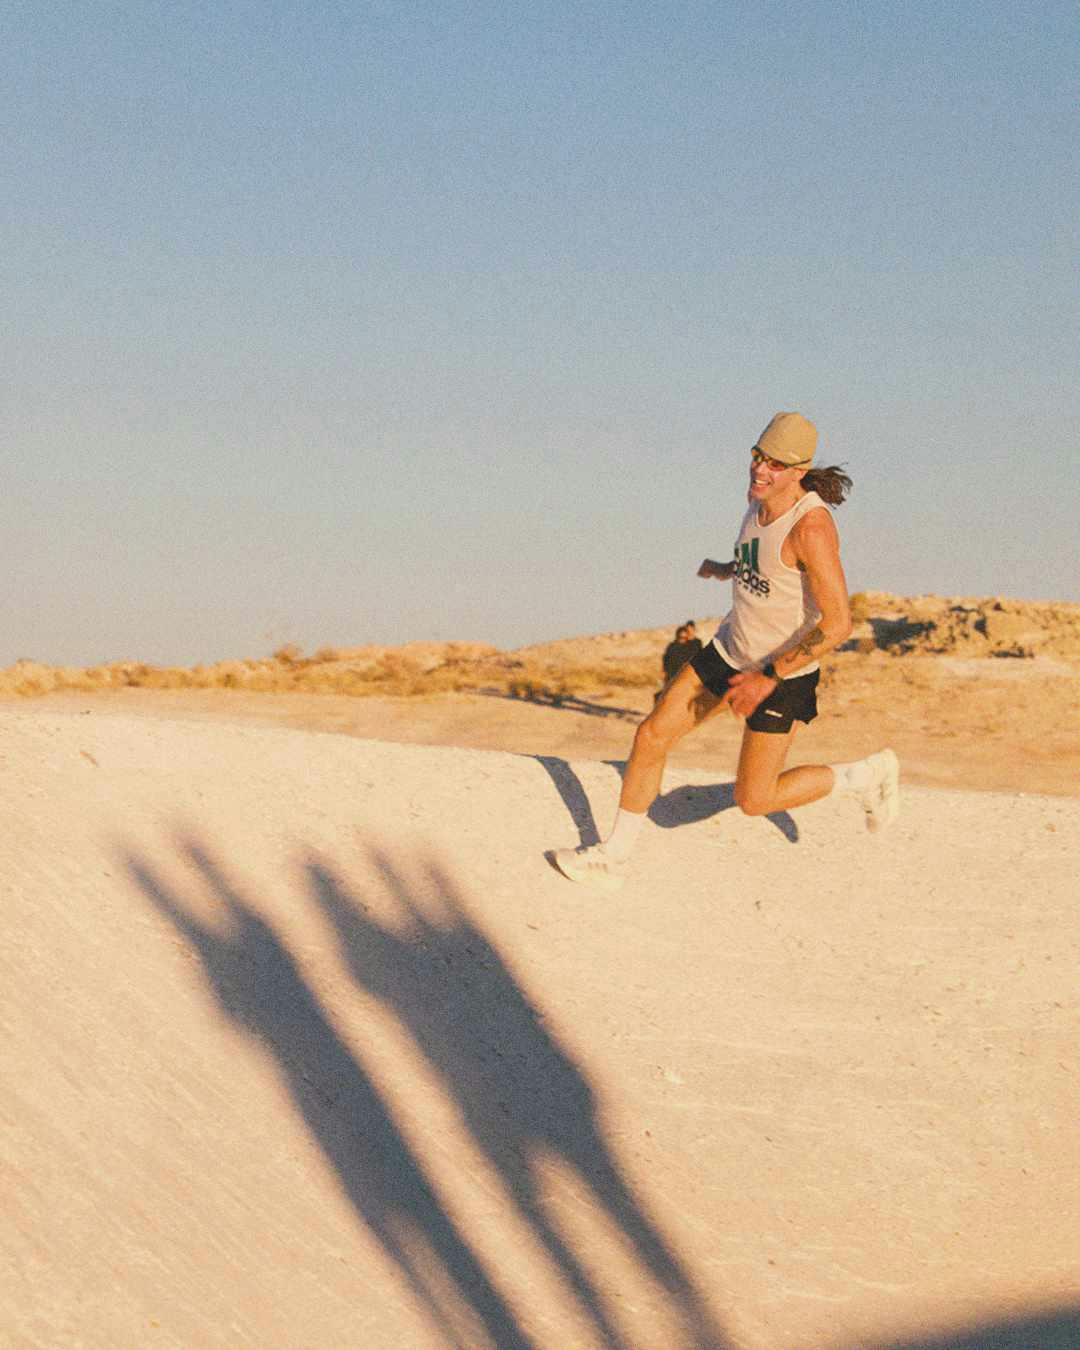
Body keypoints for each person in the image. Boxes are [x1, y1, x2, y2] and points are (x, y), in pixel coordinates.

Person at [553, 411, 899, 891]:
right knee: (651, 736)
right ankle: (612, 858)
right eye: (757, 456)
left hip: (783, 675)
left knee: (754, 799)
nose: (760, 470)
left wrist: (769, 675)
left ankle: (864, 777)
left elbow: (838, 623)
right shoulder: (757, 499)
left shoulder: (812, 529)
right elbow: (765, 562)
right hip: (729, 650)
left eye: (775, 464)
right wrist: (725, 567)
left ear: (798, 472)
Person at [656, 622, 703, 701]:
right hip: (672, 672)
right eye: (681, 637)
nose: (682, 638)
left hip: (686, 673)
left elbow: (697, 655)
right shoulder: (672, 646)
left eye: (684, 637)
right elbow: (666, 658)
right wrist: (663, 671)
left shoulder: (694, 643)